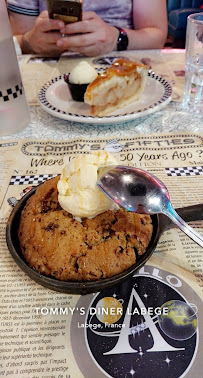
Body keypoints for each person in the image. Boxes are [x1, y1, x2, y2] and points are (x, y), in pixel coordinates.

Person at [7, 0, 168, 57]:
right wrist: (31, 42)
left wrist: (116, 38)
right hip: (47, 81)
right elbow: (17, 44)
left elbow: (156, 35)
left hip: (123, 65)